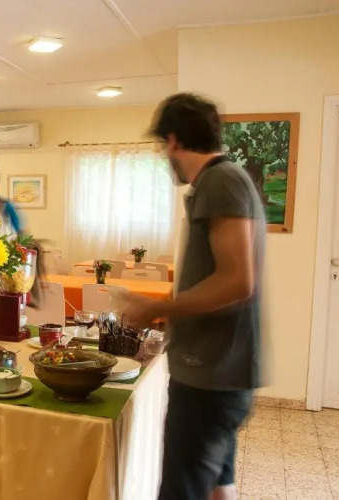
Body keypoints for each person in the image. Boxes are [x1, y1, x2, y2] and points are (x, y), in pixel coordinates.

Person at [122, 93, 266, 500]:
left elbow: (237, 281)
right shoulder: (222, 180)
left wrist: (158, 307)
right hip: (220, 373)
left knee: (181, 490)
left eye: (161, 147)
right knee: (219, 484)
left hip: (210, 376)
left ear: (173, 141)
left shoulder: (221, 181)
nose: (163, 156)